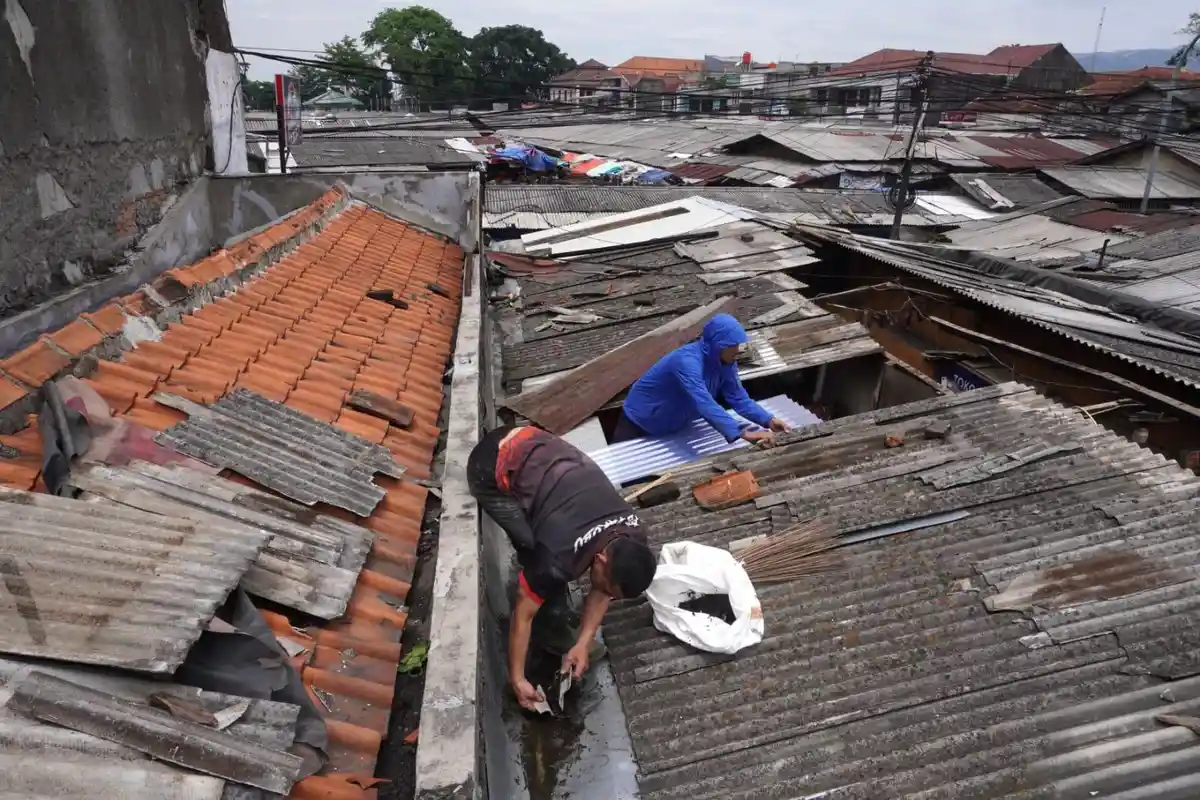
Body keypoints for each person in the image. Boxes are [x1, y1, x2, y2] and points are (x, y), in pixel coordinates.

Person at [467, 424, 658, 711]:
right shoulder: (556, 558)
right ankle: (551, 623)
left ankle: (563, 626)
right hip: (490, 464)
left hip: (537, 444)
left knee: (560, 560)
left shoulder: (633, 535)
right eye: (607, 587)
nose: (605, 594)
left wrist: (583, 643)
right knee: (531, 546)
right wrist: (518, 680)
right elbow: (523, 613)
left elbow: (604, 590)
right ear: (602, 559)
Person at [615, 313, 790, 447]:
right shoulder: (686, 361)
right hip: (638, 421)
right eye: (732, 346)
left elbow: (738, 398)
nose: (737, 350)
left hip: (674, 423)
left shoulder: (726, 363)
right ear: (717, 345)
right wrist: (743, 433)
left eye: (738, 345)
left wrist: (768, 420)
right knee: (634, 479)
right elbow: (703, 401)